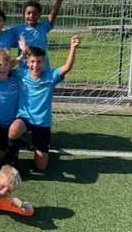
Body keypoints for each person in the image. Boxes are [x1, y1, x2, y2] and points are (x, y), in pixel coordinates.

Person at [6, 35, 80, 172]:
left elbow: (67, 67)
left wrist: (73, 47)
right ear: (28, 63)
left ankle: (37, 146)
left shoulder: (51, 76)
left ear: (44, 63)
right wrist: (21, 57)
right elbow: (6, 68)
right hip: (24, 118)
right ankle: (12, 163)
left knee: (41, 167)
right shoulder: (21, 74)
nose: (35, 65)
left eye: (39, 62)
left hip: (42, 123)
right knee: (14, 130)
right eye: (32, 61)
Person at [11, 0, 65, 66]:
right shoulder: (17, 29)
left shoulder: (43, 27)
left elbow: (53, 14)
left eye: (35, 13)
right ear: (23, 14)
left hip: (42, 69)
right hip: (25, 69)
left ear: (39, 15)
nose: (31, 16)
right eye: (28, 13)